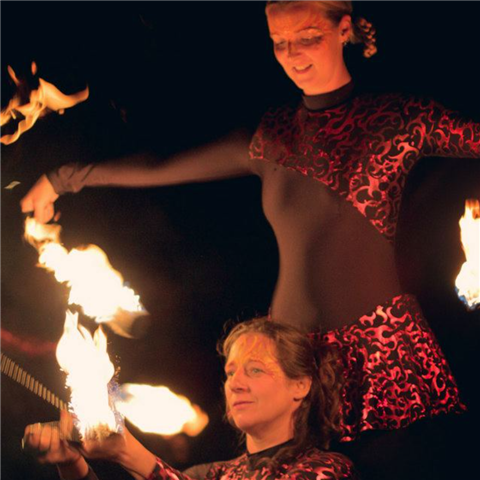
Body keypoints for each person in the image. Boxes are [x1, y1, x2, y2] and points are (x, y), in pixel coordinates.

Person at [20, 0, 480, 477]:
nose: (293, 54)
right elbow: (161, 167)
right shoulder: (272, 135)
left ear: (344, 30)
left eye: (307, 38)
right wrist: (61, 179)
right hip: (288, 358)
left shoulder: (397, 119)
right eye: (280, 43)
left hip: (381, 357)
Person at [22, 318, 359, 480]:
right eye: (230, 372)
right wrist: (72, 464)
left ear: (300, 385)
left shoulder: (327, 470)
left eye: (255, 370)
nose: (236, 384)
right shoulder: (209, 474)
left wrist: (127, 450)